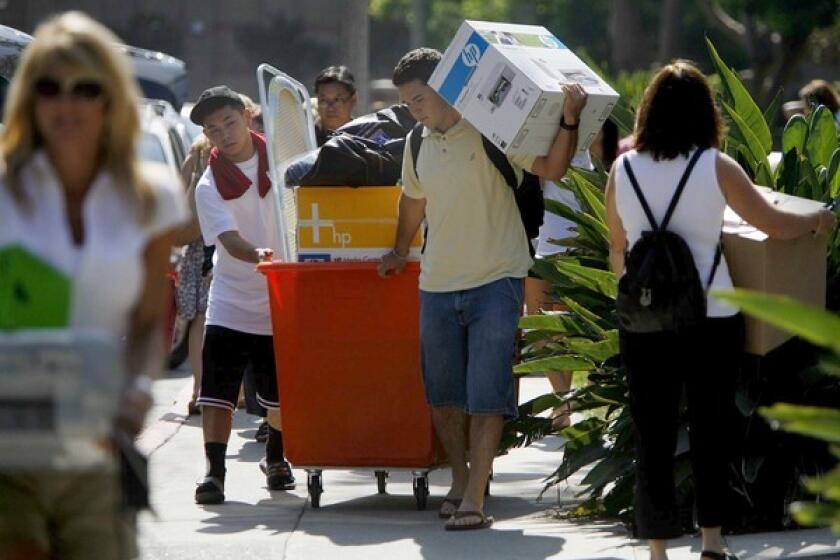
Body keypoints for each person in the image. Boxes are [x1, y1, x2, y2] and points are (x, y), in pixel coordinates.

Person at [604, 60, 836, 560]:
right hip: (711, 316)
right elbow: (773, 224)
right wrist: (818, 219)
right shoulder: (716, 166)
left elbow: (617, 246)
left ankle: (658, 549)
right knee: (712, 432)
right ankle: (711, 541)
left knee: (654, 434)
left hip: (644, 321)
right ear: (706, 114)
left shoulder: (622, 169)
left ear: (648, 110)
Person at [0, 12, 186, 559]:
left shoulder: (150, 198)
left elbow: (149, 322)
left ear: (111, 98)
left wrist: (137, 394)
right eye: (49, 87)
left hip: (98, 447)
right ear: (28, 97)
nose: (68, 103)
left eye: (86, 88)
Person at [377, 48, 587, 530]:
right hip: (437, 284)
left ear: (447, 88)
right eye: (408, 102)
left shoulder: (495, 129)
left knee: (487, 392)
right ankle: (460, 477)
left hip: (497, 280)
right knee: (444, 396)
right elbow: (413, 202)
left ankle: (475, 496)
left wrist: (569, 122)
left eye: (420, 99)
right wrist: (396, 249)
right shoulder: (415, 143)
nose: (414, 109)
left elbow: (551, 169)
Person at [190, 85, 293, 504]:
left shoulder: (287, 162)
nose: (224, 134)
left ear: (248, 116)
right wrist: (260, 255)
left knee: (280, 393)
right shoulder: (208, 184)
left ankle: (276, 458)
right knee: (216, 393)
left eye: (229, 122)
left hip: (284, 293)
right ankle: (215, 472)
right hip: (232, 299)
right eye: (213, 130)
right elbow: (229, 241)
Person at [525, 117, 620, 430]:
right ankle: (562, 399)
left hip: (577, 251)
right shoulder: (554, 156)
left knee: (564, 328)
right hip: (540, 249)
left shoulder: (607, 170)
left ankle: (565, 402)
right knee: (541, 327)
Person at [173, 133, 213, 417]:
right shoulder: (239, 151)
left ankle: (199, 390)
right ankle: (227, 392)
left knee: (200, 318)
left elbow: (174, 197)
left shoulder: (197, 152)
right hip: (223, 242)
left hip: (198, 244)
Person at [313, 65, 357, 146]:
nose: (330, 108)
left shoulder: (363, 138)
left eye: (337, 100)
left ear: (353, 100)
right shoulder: (306, 139)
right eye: (324, 100)